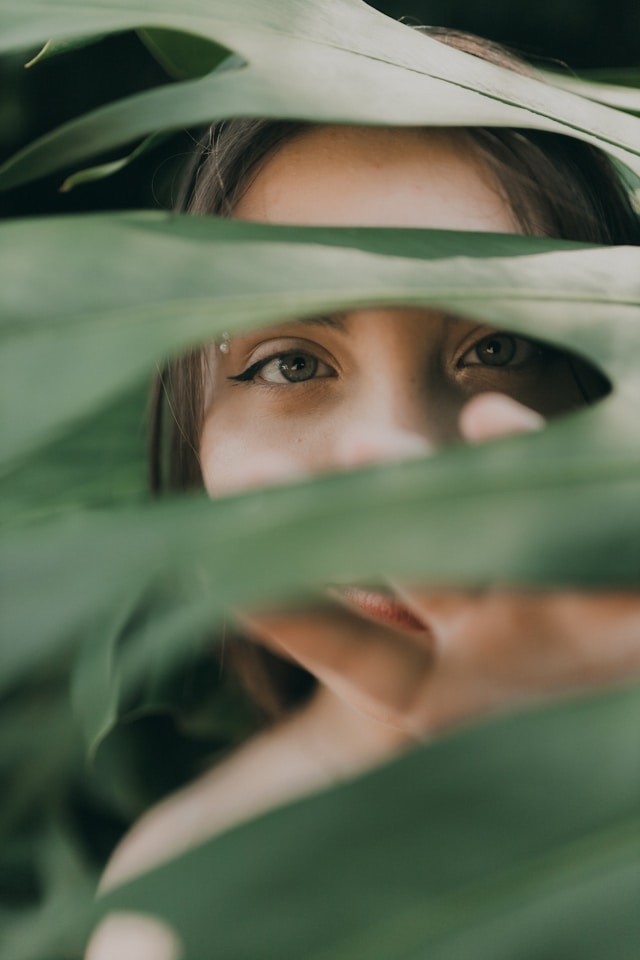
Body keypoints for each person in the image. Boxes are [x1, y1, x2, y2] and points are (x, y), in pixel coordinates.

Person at [86, 26, 640, 960]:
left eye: (499, 347)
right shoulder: (186, 908)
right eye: (290, 361)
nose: (399, 460)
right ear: (188, 433)